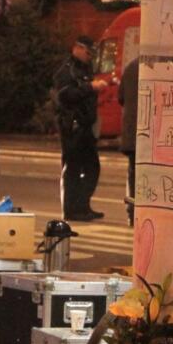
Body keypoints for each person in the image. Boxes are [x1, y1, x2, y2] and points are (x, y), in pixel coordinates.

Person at [54, 35, 109, 221]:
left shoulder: (84, 68)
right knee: (73, 168)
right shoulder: (67, 71)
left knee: (91, 167)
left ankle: (82, 205)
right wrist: (90, 87)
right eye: (87, 52)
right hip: (73, 125)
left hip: (85, 125)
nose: (89, 56)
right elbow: (65, 96)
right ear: (77, 48)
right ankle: (72, 209)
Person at [117, 57, 139, 226]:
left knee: (133, 174)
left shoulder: (131, 66)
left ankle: (132, 213)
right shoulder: (164, 64)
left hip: (132, 132)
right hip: (150, 133)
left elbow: (121, 97)